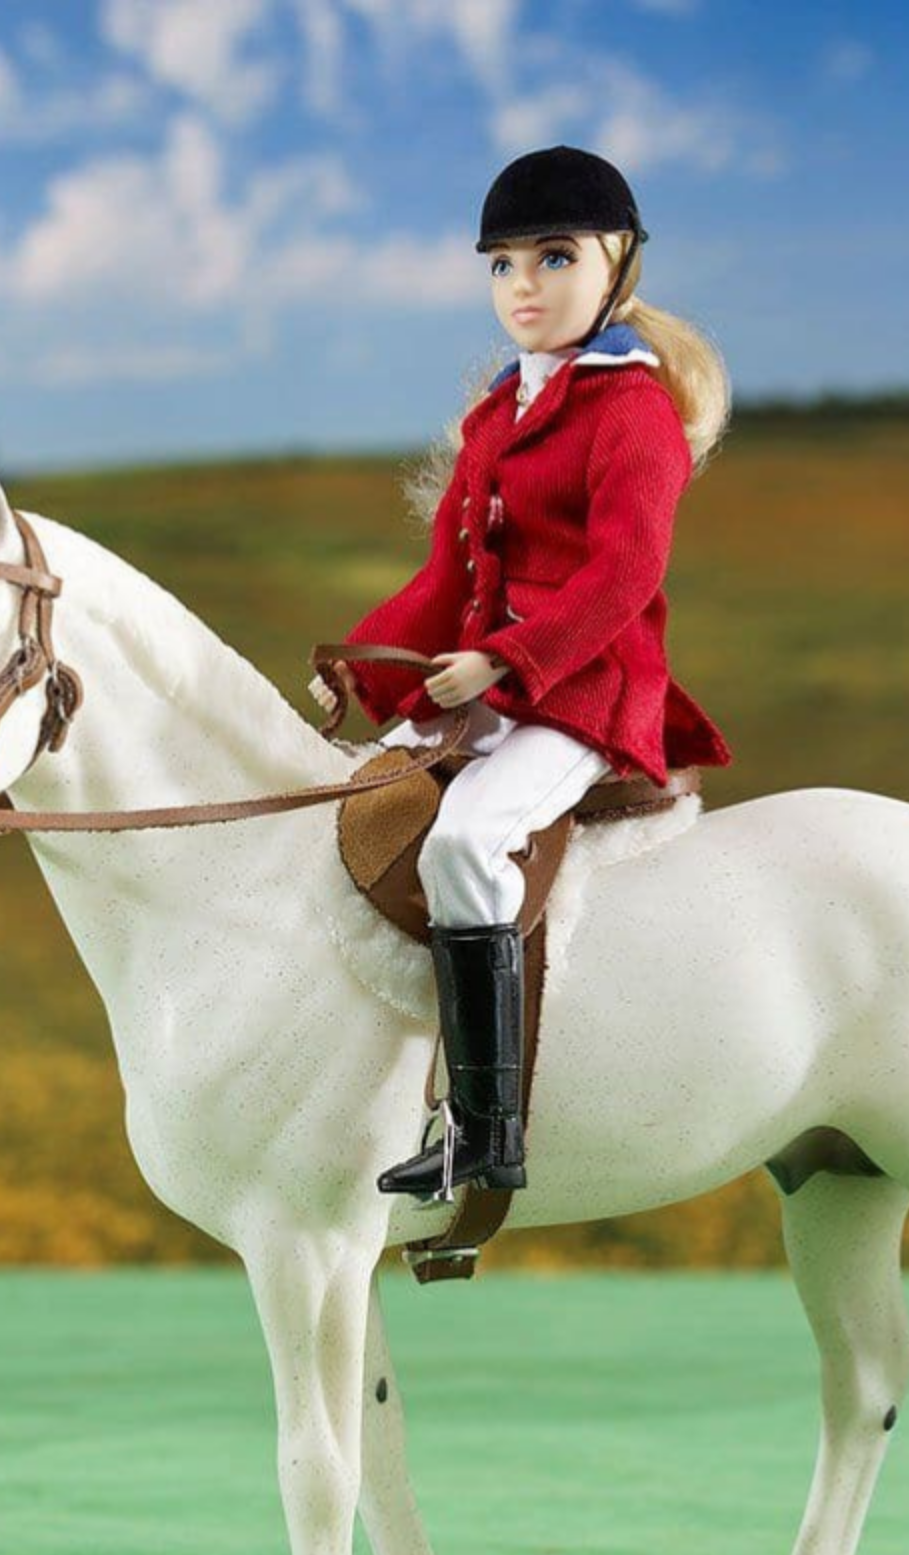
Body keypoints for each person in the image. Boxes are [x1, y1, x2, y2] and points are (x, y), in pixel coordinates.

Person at [313, 144, 735, 1203]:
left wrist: (506, 659)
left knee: (462, 839)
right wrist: (366, 671)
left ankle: (486, 1128)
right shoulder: (495, 416)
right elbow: (444, 572)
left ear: (616, 265)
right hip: (489, 688)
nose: (525, 287)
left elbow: (622, 573)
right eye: (502, 266)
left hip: (583, 692)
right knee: (366, 803)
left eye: (552, 257)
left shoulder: (630, 413)